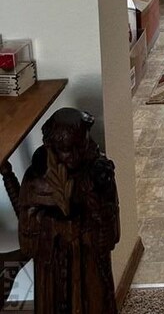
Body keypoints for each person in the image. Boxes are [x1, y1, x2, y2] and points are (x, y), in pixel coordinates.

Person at [18, 108, 120, 314]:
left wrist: (96, 218)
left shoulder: (99, 175)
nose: (74, 156)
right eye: (66, 149)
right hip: (53, 271)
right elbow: (27, 238)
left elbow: (111, 235)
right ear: (52, 147)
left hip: (89, 266)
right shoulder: (36, 182)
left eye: (80, 146)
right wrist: (55, 226)